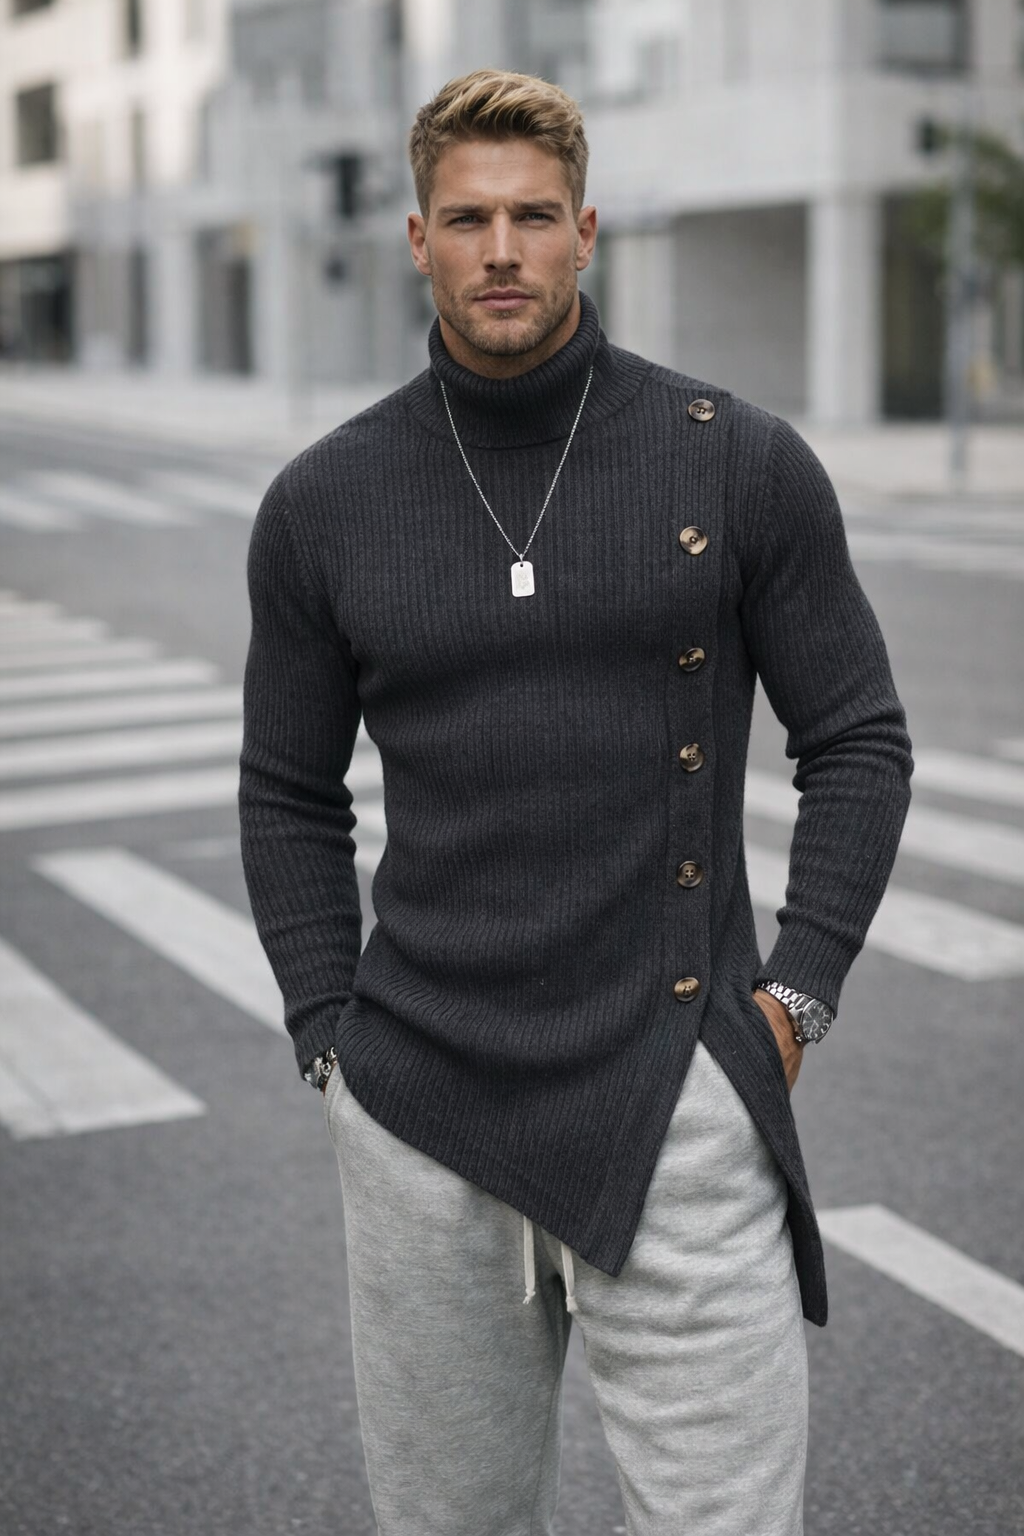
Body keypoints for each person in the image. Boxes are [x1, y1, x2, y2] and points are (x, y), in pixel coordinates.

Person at [239, 67, 913, 1536]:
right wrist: (328, 1037)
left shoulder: (734, 460)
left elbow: (859, 738)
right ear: (416, 239)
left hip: (682, 1091)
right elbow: (287, 790)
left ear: (586, 231)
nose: (502, 251)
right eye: (468, 218)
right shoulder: (324, 503)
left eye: (535, 216)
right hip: (417, 1109)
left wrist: (795, 998)